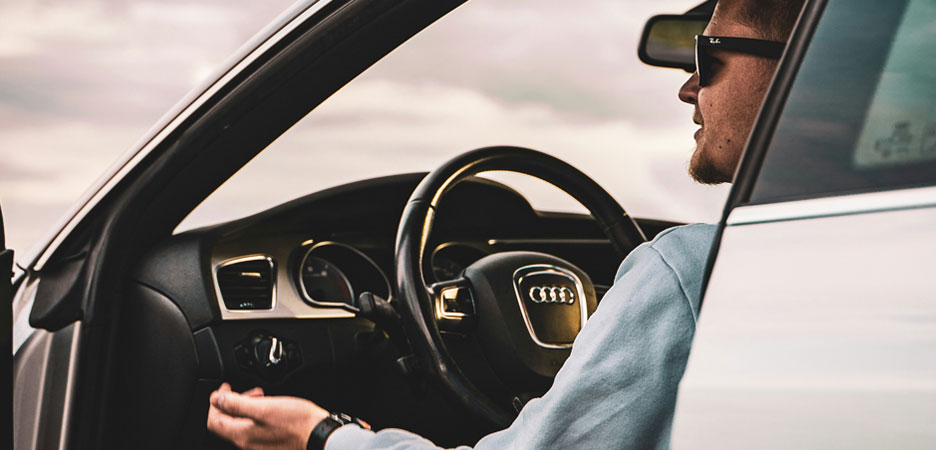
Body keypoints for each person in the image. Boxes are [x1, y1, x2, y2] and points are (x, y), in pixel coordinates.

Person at [206, 0, 805, 448]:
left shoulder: (690, 276)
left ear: (799, 69)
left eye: (708, 56)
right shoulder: (829, 259)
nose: (687, 86)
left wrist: (323, 436)